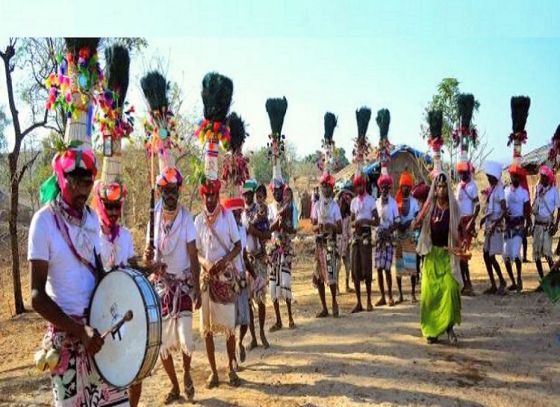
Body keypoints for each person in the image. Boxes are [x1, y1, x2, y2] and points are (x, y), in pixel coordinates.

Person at [30, 146, 129, 406]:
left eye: (87, 185)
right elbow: (37, 297)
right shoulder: (43, 222)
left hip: (97, 335)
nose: (82, 193)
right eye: (76, 184)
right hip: (67, 342)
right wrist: (79, 330)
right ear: (62, 179)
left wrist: (121, 286)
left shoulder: (92, 219)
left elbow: (97, 272)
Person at [144, 166, 201, 404]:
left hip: (183, 284)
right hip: (162, 286)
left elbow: (193, 254)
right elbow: (148, 260)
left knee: (186, 339)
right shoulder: (153, 217)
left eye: (174, 190)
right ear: (159, 192)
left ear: (179, 191)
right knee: (163, 345)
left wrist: (197, 286)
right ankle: (176, 386)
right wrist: (148, 257)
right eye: (166, 190)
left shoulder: (187, 218)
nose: (170, 194)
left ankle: (187, 373)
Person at [195, 179, 242, 388]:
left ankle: (231, 368)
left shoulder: (227, 216)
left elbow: (238, 245)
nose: (211, 199)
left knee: (229, 327)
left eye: (214, 195)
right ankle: (214, 372)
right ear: (203, 196)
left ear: (218, 195)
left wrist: (225, 261)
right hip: (207, 279)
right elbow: (194, 251)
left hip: (225, 278)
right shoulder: (197, 221)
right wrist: (205, 263)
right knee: (207, 329)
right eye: (208, 195)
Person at [413, 172, 462, 345]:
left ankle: (449, 328)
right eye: (438, 186)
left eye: (443, 186)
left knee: (450, 290)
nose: (441, 189)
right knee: (429, 294)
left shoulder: (454, 208)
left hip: (447, 254)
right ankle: (431, 330)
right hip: (431, 255)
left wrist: (461, 245)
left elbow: (460, 229)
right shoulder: (429, 207)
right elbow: (415, 224)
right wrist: (421, 214)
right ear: (435, 189)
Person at [224, 197, 258, 368]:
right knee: (230, 321)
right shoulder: (224, 233)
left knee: (245, 319)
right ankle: (233, 360)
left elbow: (243, 255)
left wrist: (253, 273)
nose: (237, 215)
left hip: (242, 279)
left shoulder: (242, 230)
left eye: (240, 212)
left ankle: (240, 342)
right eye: (234, 213)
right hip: (228, 280)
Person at [241, 181, 270, 350]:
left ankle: (261, 333)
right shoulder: (241, 213)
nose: (247, 196)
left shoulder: (259, 209)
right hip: (247, 261)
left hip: (259, 259)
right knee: (249, 300)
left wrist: (254, 231)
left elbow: (266, 234)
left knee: (261, 299)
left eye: (249, 193)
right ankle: (253, 337)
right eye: (244, 194)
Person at [311, 174, 343, 317]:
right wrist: (319, 227)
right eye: (323, 186)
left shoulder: (335, 206)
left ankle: (334, 303)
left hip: (330, 242)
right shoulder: (316, 205)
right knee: (318, 277)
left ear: (332, 188)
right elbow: (312, 226)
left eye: (328, 187)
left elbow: (340, 228)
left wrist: (331, 225)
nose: (325, 189)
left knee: (331, 274)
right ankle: (324, 307)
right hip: (319, 243)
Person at [268, 178, 297, 331]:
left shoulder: (289, 206)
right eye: (274, 191)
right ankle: (278, 320)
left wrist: (285, 224)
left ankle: (291, 317)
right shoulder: (269, 208)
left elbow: (293, 229)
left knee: (286, 282)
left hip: (285, 248)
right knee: (274, 284)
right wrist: (277, 222)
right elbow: (268, 229)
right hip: (273, 249)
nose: (276, 193)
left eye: (278, 190)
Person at [480, 161, 508, 295]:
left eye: (489, 177)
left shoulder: (500, 190)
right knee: (485, 254)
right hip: (489, 224)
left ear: (494, 177)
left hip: (495, 226)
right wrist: (484, 219)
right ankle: (493, 284)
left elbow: (504, 210)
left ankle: (502, 281)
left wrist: (495, 223)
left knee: (491, 255)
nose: (488, 179)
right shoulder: (493, 189)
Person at [503, 165, 531, 291]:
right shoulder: (506, 191)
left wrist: (527, 226)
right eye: (512, 175)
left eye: (516, 176)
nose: (513, 178)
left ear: (519, 178)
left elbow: (527, 211)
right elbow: (504, 207)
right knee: (506, 256)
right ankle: (513, 282)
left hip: (519, 225)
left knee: (515, 254)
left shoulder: (524, 192)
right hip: (508, 226)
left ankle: (519, 278)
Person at [373, 174, 401, 307]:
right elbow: (374, 220)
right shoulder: (376, 203)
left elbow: (397, 221)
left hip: (388, 238)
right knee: (378, 268)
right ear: (379, 188)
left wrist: (389, 230)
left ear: (389, 188)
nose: (384, 190)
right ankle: (382, 296)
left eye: (386, 187)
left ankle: (390, 296)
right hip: (379, 238)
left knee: (387, 268)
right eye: (382, 187)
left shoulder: (394, 203)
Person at [349, 174, 376, 312]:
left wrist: (365, 221)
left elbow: (376, 220)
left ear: (364, 185)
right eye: (357, 186)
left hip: (366, 234)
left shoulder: (371, 200)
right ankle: (359, 302)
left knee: (367, 267)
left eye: (361, 185)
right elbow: (352, 222)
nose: (359, 188)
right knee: (356, 267)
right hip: (356, 236)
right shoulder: (353, 202)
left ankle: (369, 301)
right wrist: (356, 223)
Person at [395, 170, 420, 303]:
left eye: (407, 186)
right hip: (399, 234)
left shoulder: (414, 202)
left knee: (412, 267)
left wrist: (410, 222)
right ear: (401, 186)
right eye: (403, 186)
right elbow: (395, 217)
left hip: (410, 235)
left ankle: (412, 293)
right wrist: (400, 224)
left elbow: (416, 216)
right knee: (399, 266)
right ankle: (400, 294)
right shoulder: (396, 201)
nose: (405, 188)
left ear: (410, 187)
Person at [455, 163, 480, 296]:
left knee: (464, 255)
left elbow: (477, 206)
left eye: (465, 173)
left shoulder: (472, 186)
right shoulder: (459, 186)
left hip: (468, 221)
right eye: (461, 173)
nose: (463, 175)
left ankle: (468, 284)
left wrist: (471, 222)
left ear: (469, 173)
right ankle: (464, 283)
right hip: (459, 222)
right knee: (459, 254)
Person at [532, 165, 560, 281]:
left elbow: (559, 209)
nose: (541, 178)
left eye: (544, 176)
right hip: (537, 225)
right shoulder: (538, 190)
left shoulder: (554, 191)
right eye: (541, 176)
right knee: (537, 255)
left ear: (548, 178)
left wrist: (556, 225)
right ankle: (543, 281)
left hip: (547, 226)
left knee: (548, 254)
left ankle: (556, 282)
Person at [337, 187, 354, 293]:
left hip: (346, 243)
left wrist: (349, 242)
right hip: (338, 243)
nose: (343, 204)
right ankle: (337, 287)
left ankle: (347, 285)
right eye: (341, 202)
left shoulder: (348, 217)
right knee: (337, 266)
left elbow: (349, 231)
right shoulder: (336, 216)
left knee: (348, 265)